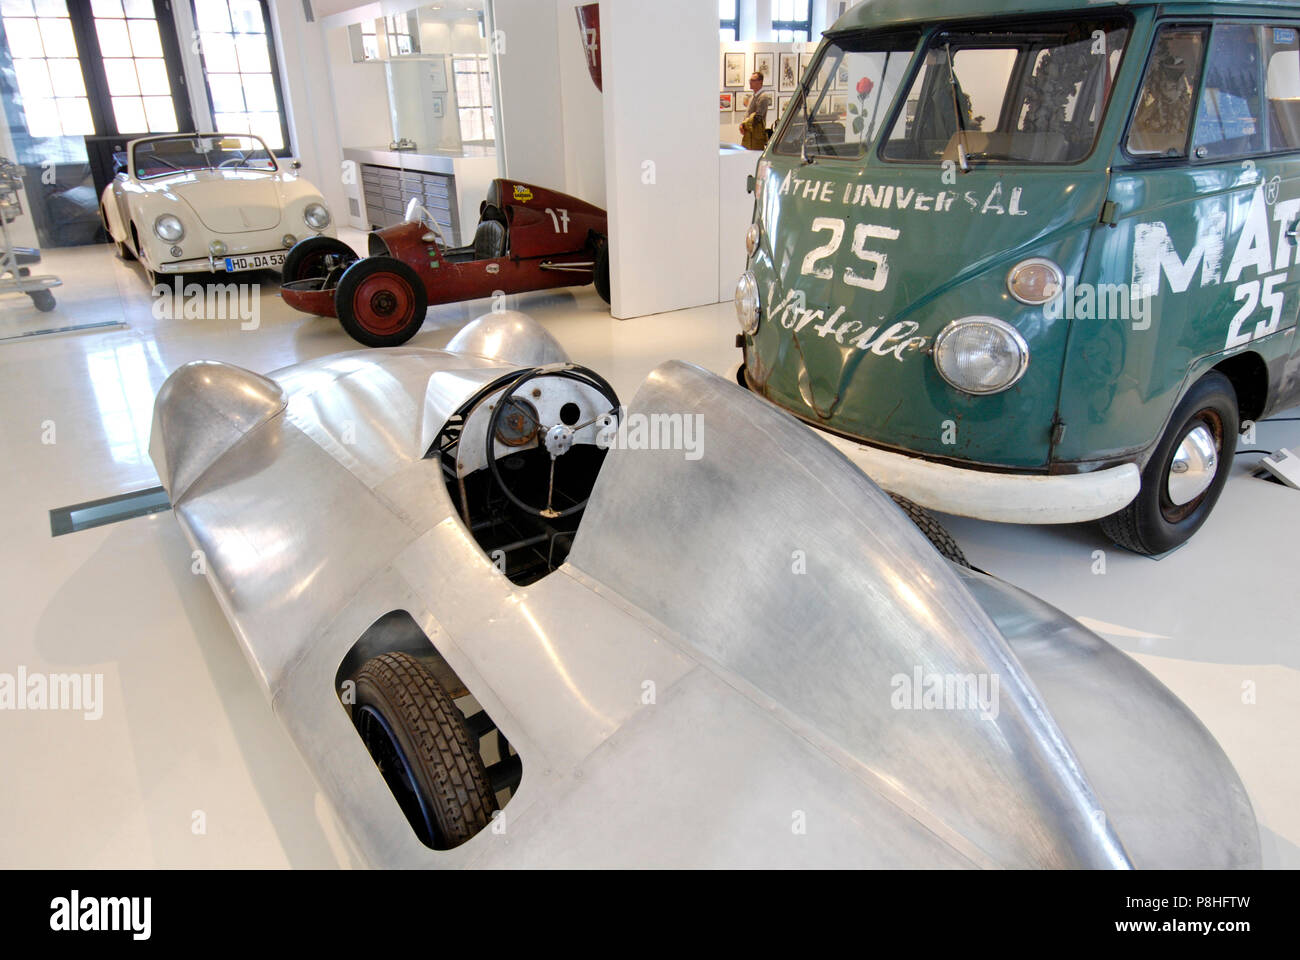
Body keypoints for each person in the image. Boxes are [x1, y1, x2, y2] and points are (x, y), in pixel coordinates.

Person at [740, 71, 773, 150]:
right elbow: (748, 114)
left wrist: (744, 125)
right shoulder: (753, 96)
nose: (750, 82)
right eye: (750, 80)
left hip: (756, 135)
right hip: (749, 134)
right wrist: (742, 125)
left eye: (753, 80)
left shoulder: (763, 97)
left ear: (760, 82)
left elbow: (757, 117)